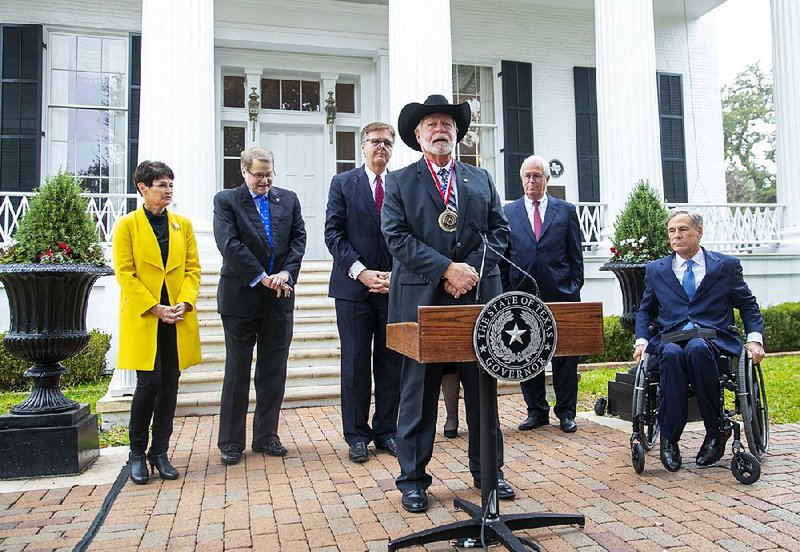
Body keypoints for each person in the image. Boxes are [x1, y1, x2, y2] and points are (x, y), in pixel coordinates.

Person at [381, 94, 513, 514]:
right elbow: (396, 237)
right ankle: (414, 479)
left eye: (447, 124)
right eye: (431, 124)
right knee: (417, 393)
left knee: (482, 389)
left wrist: (469, 269)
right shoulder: (400, 181)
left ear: (457, 133)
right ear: (418, 136)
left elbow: (500, 232)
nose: (441, 129)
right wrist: (445, 270)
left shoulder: (481, 179)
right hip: (421, 301)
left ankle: (489, 472)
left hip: (477, 298)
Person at [634, 210, 764, 472]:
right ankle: (669, 439)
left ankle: (715, 432)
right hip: (672, 337)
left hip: (712, 338)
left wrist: (755, 340)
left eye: (683, 229)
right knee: (670, 353)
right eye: (672, 231)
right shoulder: (656, 270)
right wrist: (641, 340)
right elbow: (645, 310)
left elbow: (748, 305)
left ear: (699, 232)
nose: (677, 235)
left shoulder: (725, 266)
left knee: (696, 348)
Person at [213, 146, 307, 465]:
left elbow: (298, 239)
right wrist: (261, 276)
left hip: (279, 298)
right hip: (241, 297)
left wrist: (285, 273)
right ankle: (231, 442)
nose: (265, 181)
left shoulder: (288, 199)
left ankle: (267, 435)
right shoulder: (226, 201)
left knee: (273, 370)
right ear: (244, 172)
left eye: (269, 174)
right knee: (237, 370)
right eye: (258, 175)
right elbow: (230, 244)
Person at [113, 160, 202, 484]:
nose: (168, 190)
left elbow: (193, 269)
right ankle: (137, 452)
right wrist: (155, 307)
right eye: (162, 185)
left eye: (170, 184)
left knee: (170, 385)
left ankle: (160, 452)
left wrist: (185, 302)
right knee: (148, 384)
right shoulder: (127, 226)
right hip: (146, 318)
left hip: (176, 318)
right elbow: (125, 273)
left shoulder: (183, 225)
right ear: (143, 188)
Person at [324, 121, 402, 463]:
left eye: (387, 142)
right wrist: (362, 272)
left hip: (394, 288)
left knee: (392, 363)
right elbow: (333, 234)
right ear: (362, 146)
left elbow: (408, 235)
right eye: (375, 142)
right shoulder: (343, 184)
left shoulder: (400, 185)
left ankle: (386, 431)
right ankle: (356, 434)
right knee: (355, 363)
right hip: (353, 289)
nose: (381, 147)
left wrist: (395, 275)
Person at [500, 155, 584, 434]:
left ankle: (566, 412)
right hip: (521, 296)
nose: (532, 181)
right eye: (527, 176)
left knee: (564, 355)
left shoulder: (566, 210)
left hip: (561, 293)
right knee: (525, 352)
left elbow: (576, 256)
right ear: (521, 179)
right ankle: (536, 410)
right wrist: (505, 291)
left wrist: (573, 287)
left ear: (547, 179)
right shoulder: (508, 212)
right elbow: (503, 257)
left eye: (537, 176)